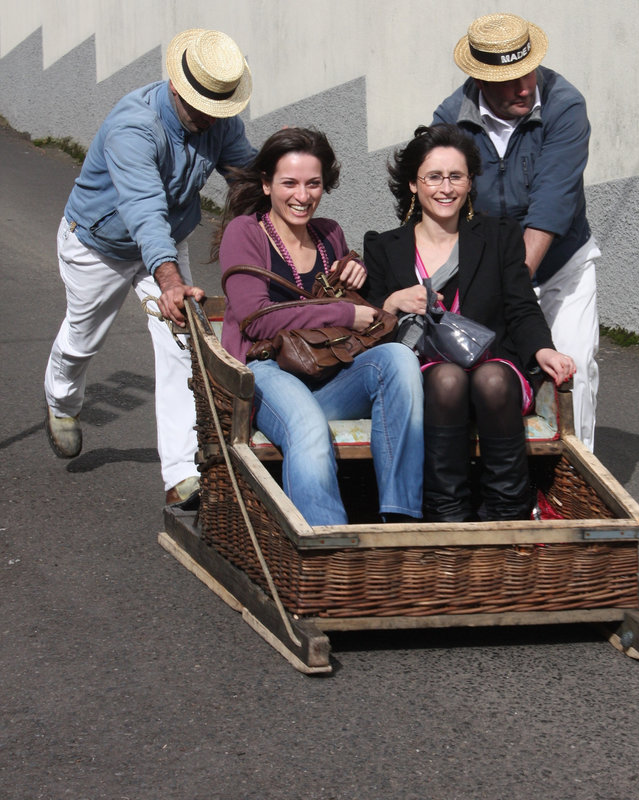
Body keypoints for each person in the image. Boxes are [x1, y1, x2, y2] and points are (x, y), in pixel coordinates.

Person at [43, 29, 258, 508]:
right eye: (205, 104)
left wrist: (288, 200)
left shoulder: (220, 121)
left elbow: (248, 177)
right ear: (178, 86)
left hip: (164, 240)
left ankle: (182, 474)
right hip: (98, 244)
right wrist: (170, 281)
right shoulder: (134, 126)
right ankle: (61, 402)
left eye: (221, 106)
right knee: (82, 339)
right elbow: (143, 208)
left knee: (183, 345)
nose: (213, 116)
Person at [363, 124, 575, 522]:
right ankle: (447, 513)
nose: (446, 188)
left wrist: (543, 348)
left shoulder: (498, 236)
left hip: (494, 362)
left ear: (470, 182)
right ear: (413, 184)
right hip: (424, 370)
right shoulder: (383, 246)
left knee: (490, 379)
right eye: (434, 177)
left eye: (456, 176)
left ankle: (508, 512)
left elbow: (521, 305)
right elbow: (369, 322)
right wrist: (393, 301)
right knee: (447, 379)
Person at [214, 127, 424, 526]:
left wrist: (354, 270)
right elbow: (256, 318)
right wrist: (341, 313)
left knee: (397, 358)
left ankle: (400, 521)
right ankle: (326, 548)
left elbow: (346, 295)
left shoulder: (328, 234)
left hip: (326, 372)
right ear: (266, 183)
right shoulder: (245, 233)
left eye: (314, 184)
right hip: (265, 372)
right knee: (307, 423)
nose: (302, 195)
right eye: (289, 183)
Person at [432, 12, 600, 451]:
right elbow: (446, 208)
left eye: (526, 72)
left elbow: (551, 205)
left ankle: (575, 481)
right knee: (489, 375)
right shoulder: (450, 121)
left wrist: (510, 291)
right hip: (491, 272)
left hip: (563, 265)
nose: (524, 87)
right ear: (480, 78)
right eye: (508, 81)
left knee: (572, 368)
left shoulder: (565, 104)